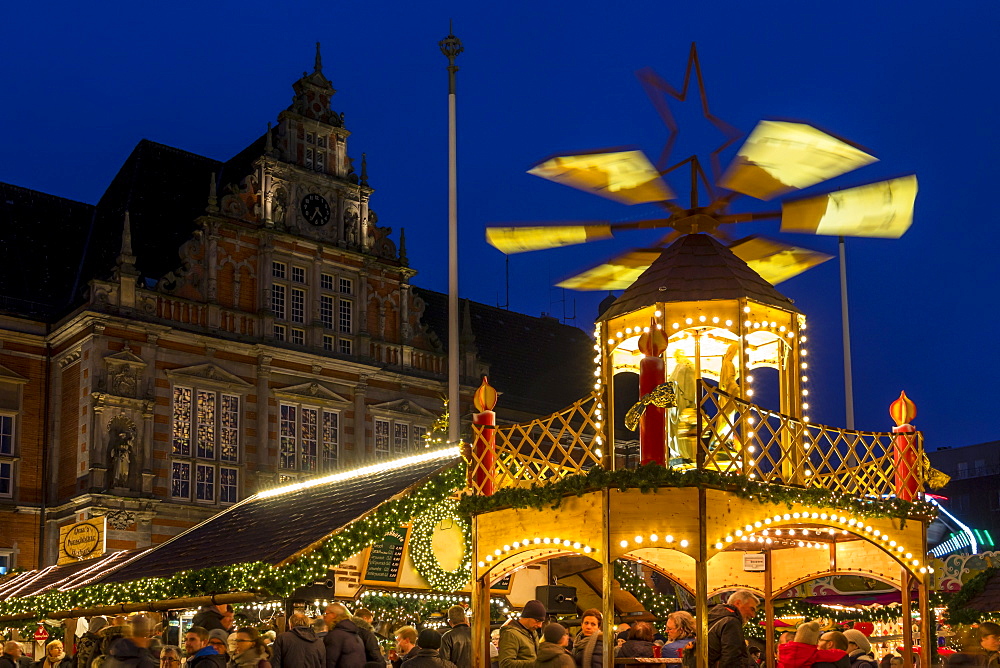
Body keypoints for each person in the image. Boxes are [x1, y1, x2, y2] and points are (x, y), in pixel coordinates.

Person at [707, 589, 758, 668]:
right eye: (752, 609)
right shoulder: (731, 622)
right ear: (738, 603)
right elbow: (731, 659)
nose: (753, 615)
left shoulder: (715, 617)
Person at [777, 622, 849, 668]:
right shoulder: (814, 655)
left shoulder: (784, 653)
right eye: (819, 639)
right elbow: (838, 655)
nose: (818, 643)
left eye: (820, 640)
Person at [498, 600, 545, 668]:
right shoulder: (510, 634)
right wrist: (536, 664)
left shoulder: (533, 632)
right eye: (537, 621)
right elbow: (505, 664)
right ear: (527, 617)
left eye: (542, 622)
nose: (540, 625)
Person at [322, 604, 365, 668]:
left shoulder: (335, 635)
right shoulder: (354, 634)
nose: (324, 617)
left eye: (326, 613)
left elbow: (329, 661)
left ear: (333, 615)